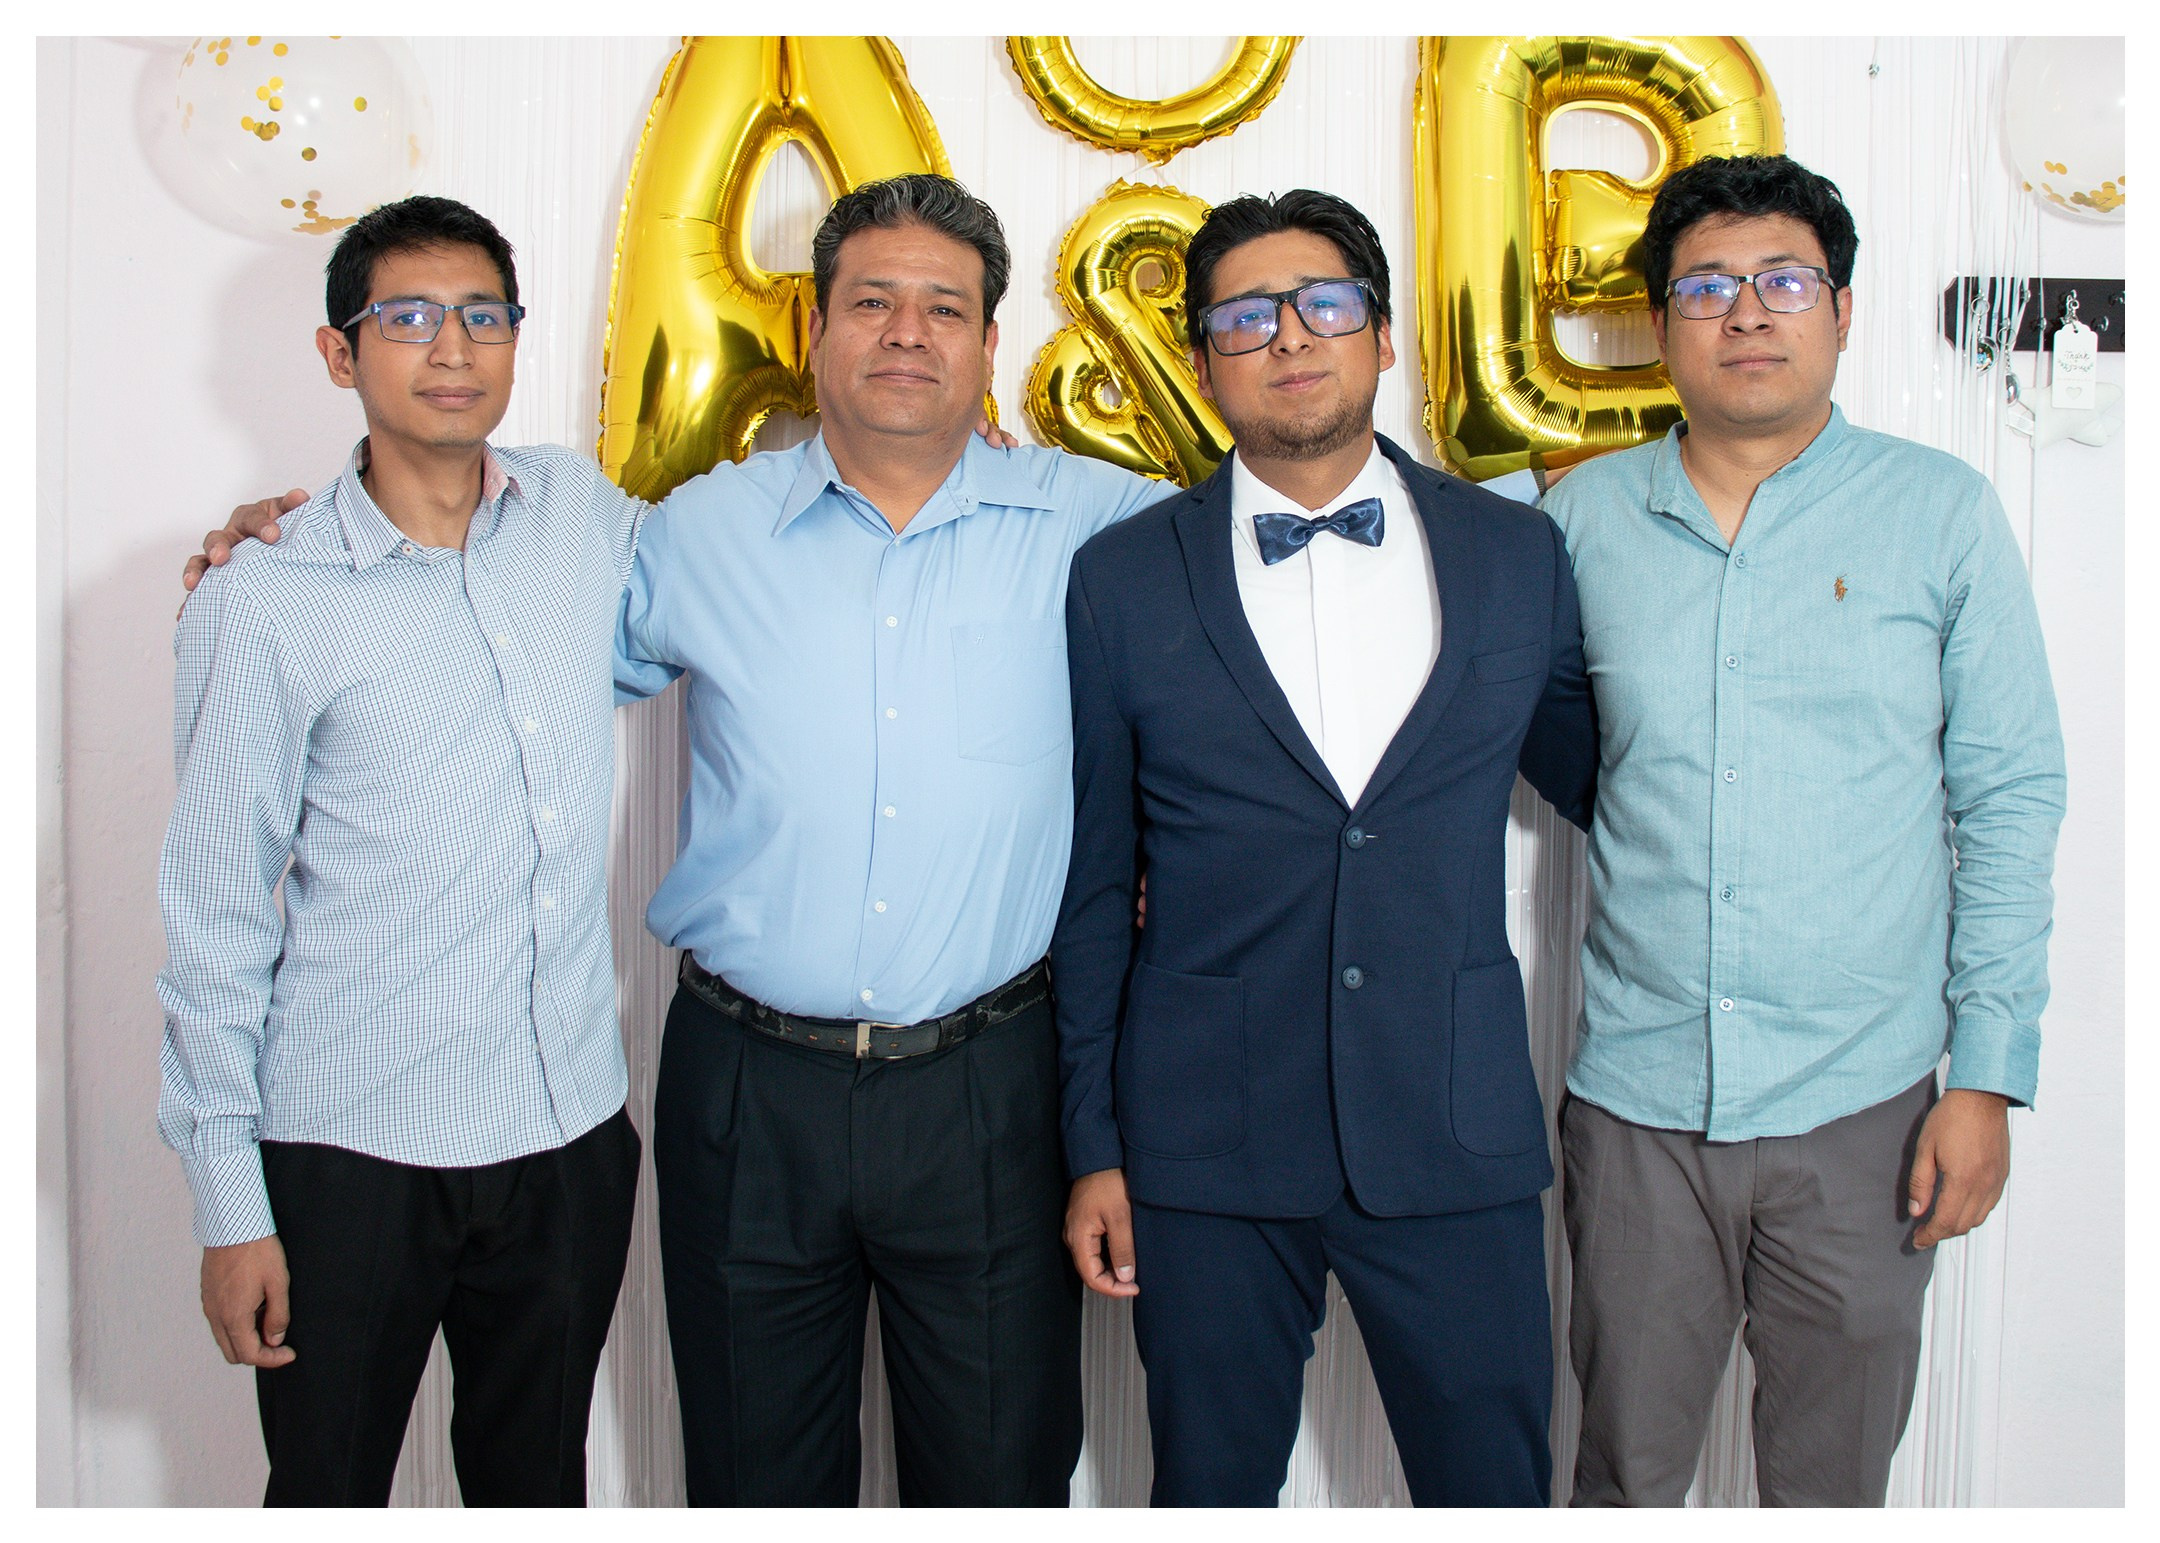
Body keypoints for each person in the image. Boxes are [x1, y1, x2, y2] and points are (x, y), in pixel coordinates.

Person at [1053, 189, 1599, 1506]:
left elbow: (1610, 781)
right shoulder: (1121, 575)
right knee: (1209, 1493)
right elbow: (1088, 878)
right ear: (1201, 360)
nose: (1289, 336)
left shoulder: (1517, 552)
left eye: (1325, 304)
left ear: (1383, 336)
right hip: (1204, 1140)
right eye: (1246, 315)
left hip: (1451, 1123)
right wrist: (1093, 1144)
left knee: (1494, 1493)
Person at [1540, 154, 2067, 1506]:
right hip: (1640, 1108)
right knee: (1620, 1479)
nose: (1748, 313)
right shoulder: (1581, 519)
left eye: (1786, 281)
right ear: (1660, 325)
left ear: (1841, 310)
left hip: (1869, 1110)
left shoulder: (1938, 510)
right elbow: (1521, 742)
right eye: (1707, 286)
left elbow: (2007, 797)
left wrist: (1986, 1075)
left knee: (1832, 1491)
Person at [157, 196, 645, 1505]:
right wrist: (230, 1206)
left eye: (484, 316)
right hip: (348, 1155)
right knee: (326, 1491)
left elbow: (759, 566)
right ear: (341, 355)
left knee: (535, 1486)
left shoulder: (583, 517)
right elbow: (212, 918)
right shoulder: (262, 598)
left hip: (567, 1133)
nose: (452, 347)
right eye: (410, 317)